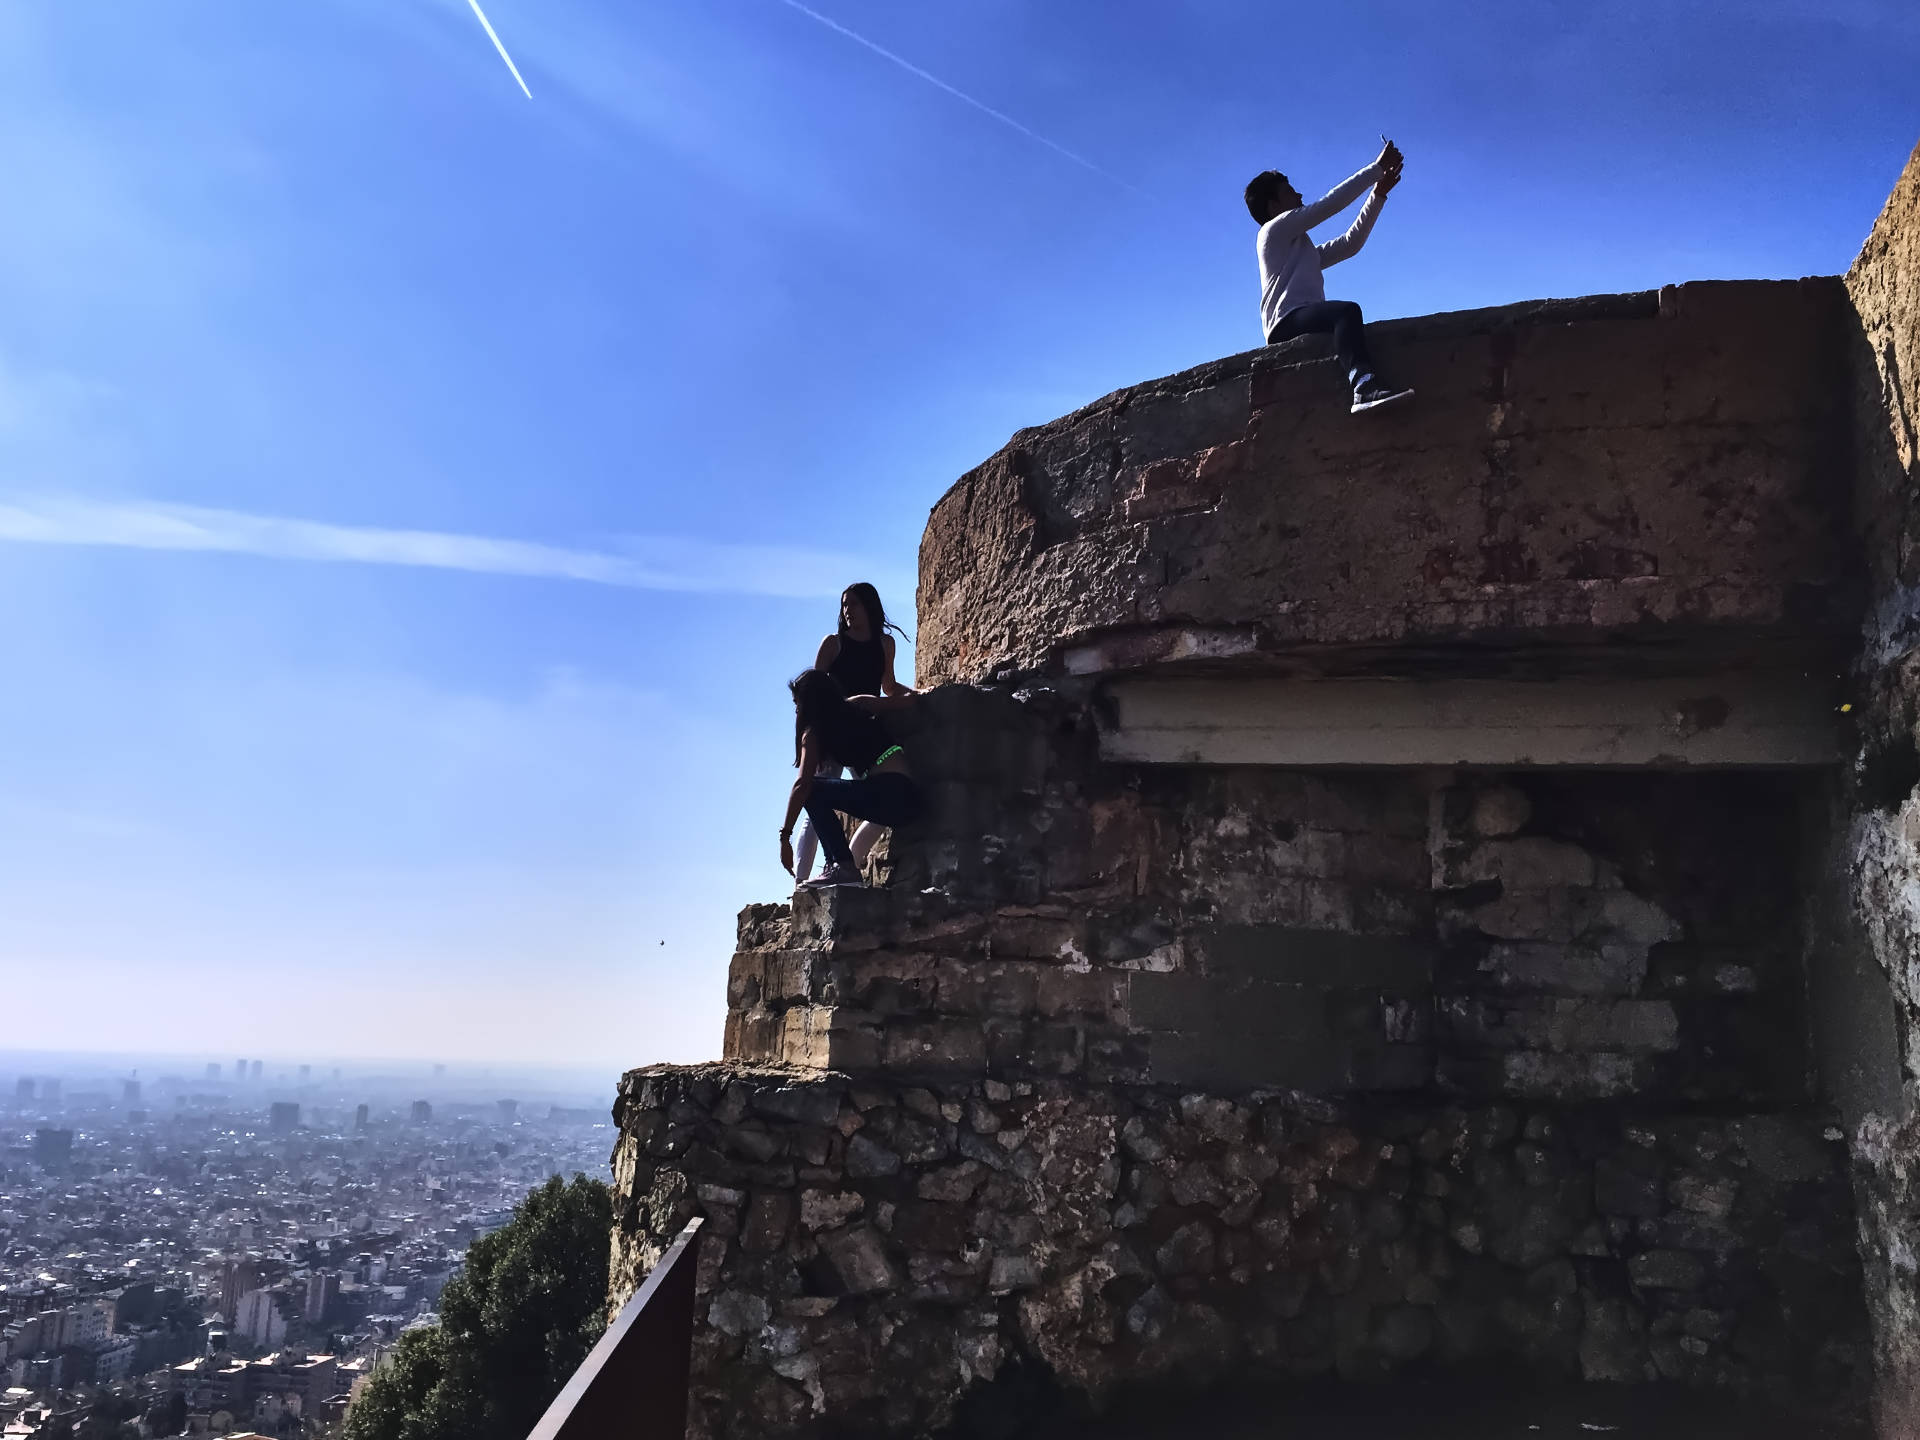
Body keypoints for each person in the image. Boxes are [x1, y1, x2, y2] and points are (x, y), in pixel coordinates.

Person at [1247, 137, 1413, 415]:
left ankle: (1363, 383)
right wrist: (1376, 169)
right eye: (1291, 192)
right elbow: (1329, 205)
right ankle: (1363, 387)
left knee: (1345, 316)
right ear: (1274, 207)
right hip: (1285, 322)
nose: (1300, 197)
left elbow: (1350, 243)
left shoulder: (1300, 248)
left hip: (1302, 317)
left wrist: (1378, 194)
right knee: (1345, 313)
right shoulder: (1271, 232)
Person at [791, 584, 916, 881]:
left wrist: (918, 693)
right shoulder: (834, 644)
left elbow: (888, 686)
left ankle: (846, 865)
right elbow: (811, 694)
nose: (847, 611)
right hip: (832, 734)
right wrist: (809, 743)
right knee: (814, 801)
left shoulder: (885, 644)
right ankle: (800, 886)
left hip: (864, 738)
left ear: (869, 605)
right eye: (844, 605)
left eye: (854, 604)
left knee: (880, 810)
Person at [779, 670, 920, 890]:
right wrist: (919, 694)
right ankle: (839, 867)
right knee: (816, 790)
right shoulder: (857, 705)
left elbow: (802, 785)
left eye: (797, 703)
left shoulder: (814, 732)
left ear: (809, 702)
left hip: (888, 794)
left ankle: (841, 866)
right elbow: (904, 702)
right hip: (908, 800)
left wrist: (785, 837)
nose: (796, 709)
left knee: (813, 792)